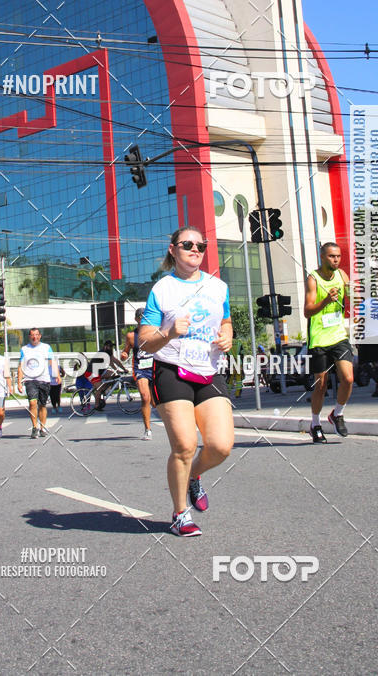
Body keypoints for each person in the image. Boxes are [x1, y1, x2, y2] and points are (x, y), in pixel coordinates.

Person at [138, 225, 234, 537]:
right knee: (184, 444)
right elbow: (144, 342)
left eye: (200, 245)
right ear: (173, 249)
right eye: (187, 244)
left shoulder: (218, 286)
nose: (195, 249)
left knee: (220, 446)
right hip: (170, 370)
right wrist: (168, 333)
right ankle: (181, 513)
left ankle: (193, 476)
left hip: (208, 371)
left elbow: (226, 320)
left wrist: (228, 336)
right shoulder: (162, 290)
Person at [304, 242, 354, 443]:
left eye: (338, 256)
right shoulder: (313, 279)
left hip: (338, 336)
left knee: (348, 378)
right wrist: (325, 301)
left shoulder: (342, 276)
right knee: (321, 385)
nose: (336, 260)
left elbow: (353, 298)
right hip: (319, 339)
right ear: (323, 257)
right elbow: (308, 311)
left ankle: (337, 414)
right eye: (332, 256)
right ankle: (315, 424)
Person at [17, 328, 56, 439]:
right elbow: (21, 366)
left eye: (36, 335)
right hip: (30, 379)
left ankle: (42, 428)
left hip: (44, 379)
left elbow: (51, 362)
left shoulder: (46, 347)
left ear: (40, 336)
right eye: (32, 335)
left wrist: (57, 375)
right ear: (29, 337)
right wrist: (19, 381)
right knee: (33, 403)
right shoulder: (24, 349)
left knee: (42, 405)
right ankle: (35, 427)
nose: (34, 337)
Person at [121, 309, 154, 439]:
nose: (143, 320)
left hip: (155, 367)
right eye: (141, 317)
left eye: (145, 317)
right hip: (140, 369)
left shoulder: (155, 333)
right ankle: (148, 429)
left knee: (156, 401)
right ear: (136, 319)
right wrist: (124, 355)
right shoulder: (131, 336)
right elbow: (126, 352)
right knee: (145, 397)